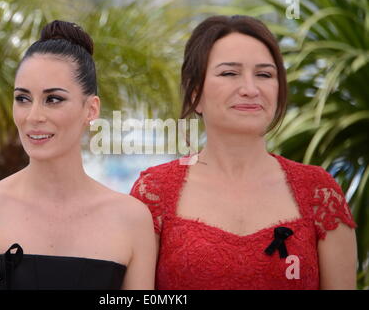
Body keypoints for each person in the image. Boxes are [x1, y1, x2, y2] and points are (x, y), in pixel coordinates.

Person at [130, 15, 357, 290]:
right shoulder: (154, 192)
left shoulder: (320, 192)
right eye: (229, 73)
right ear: (195, 93)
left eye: (264, 74)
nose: (250, 90)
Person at [0, 20, 156, 290]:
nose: (33, 116)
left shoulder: (131, 220)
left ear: (91, 109)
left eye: (53, 99)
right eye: (23, 98)